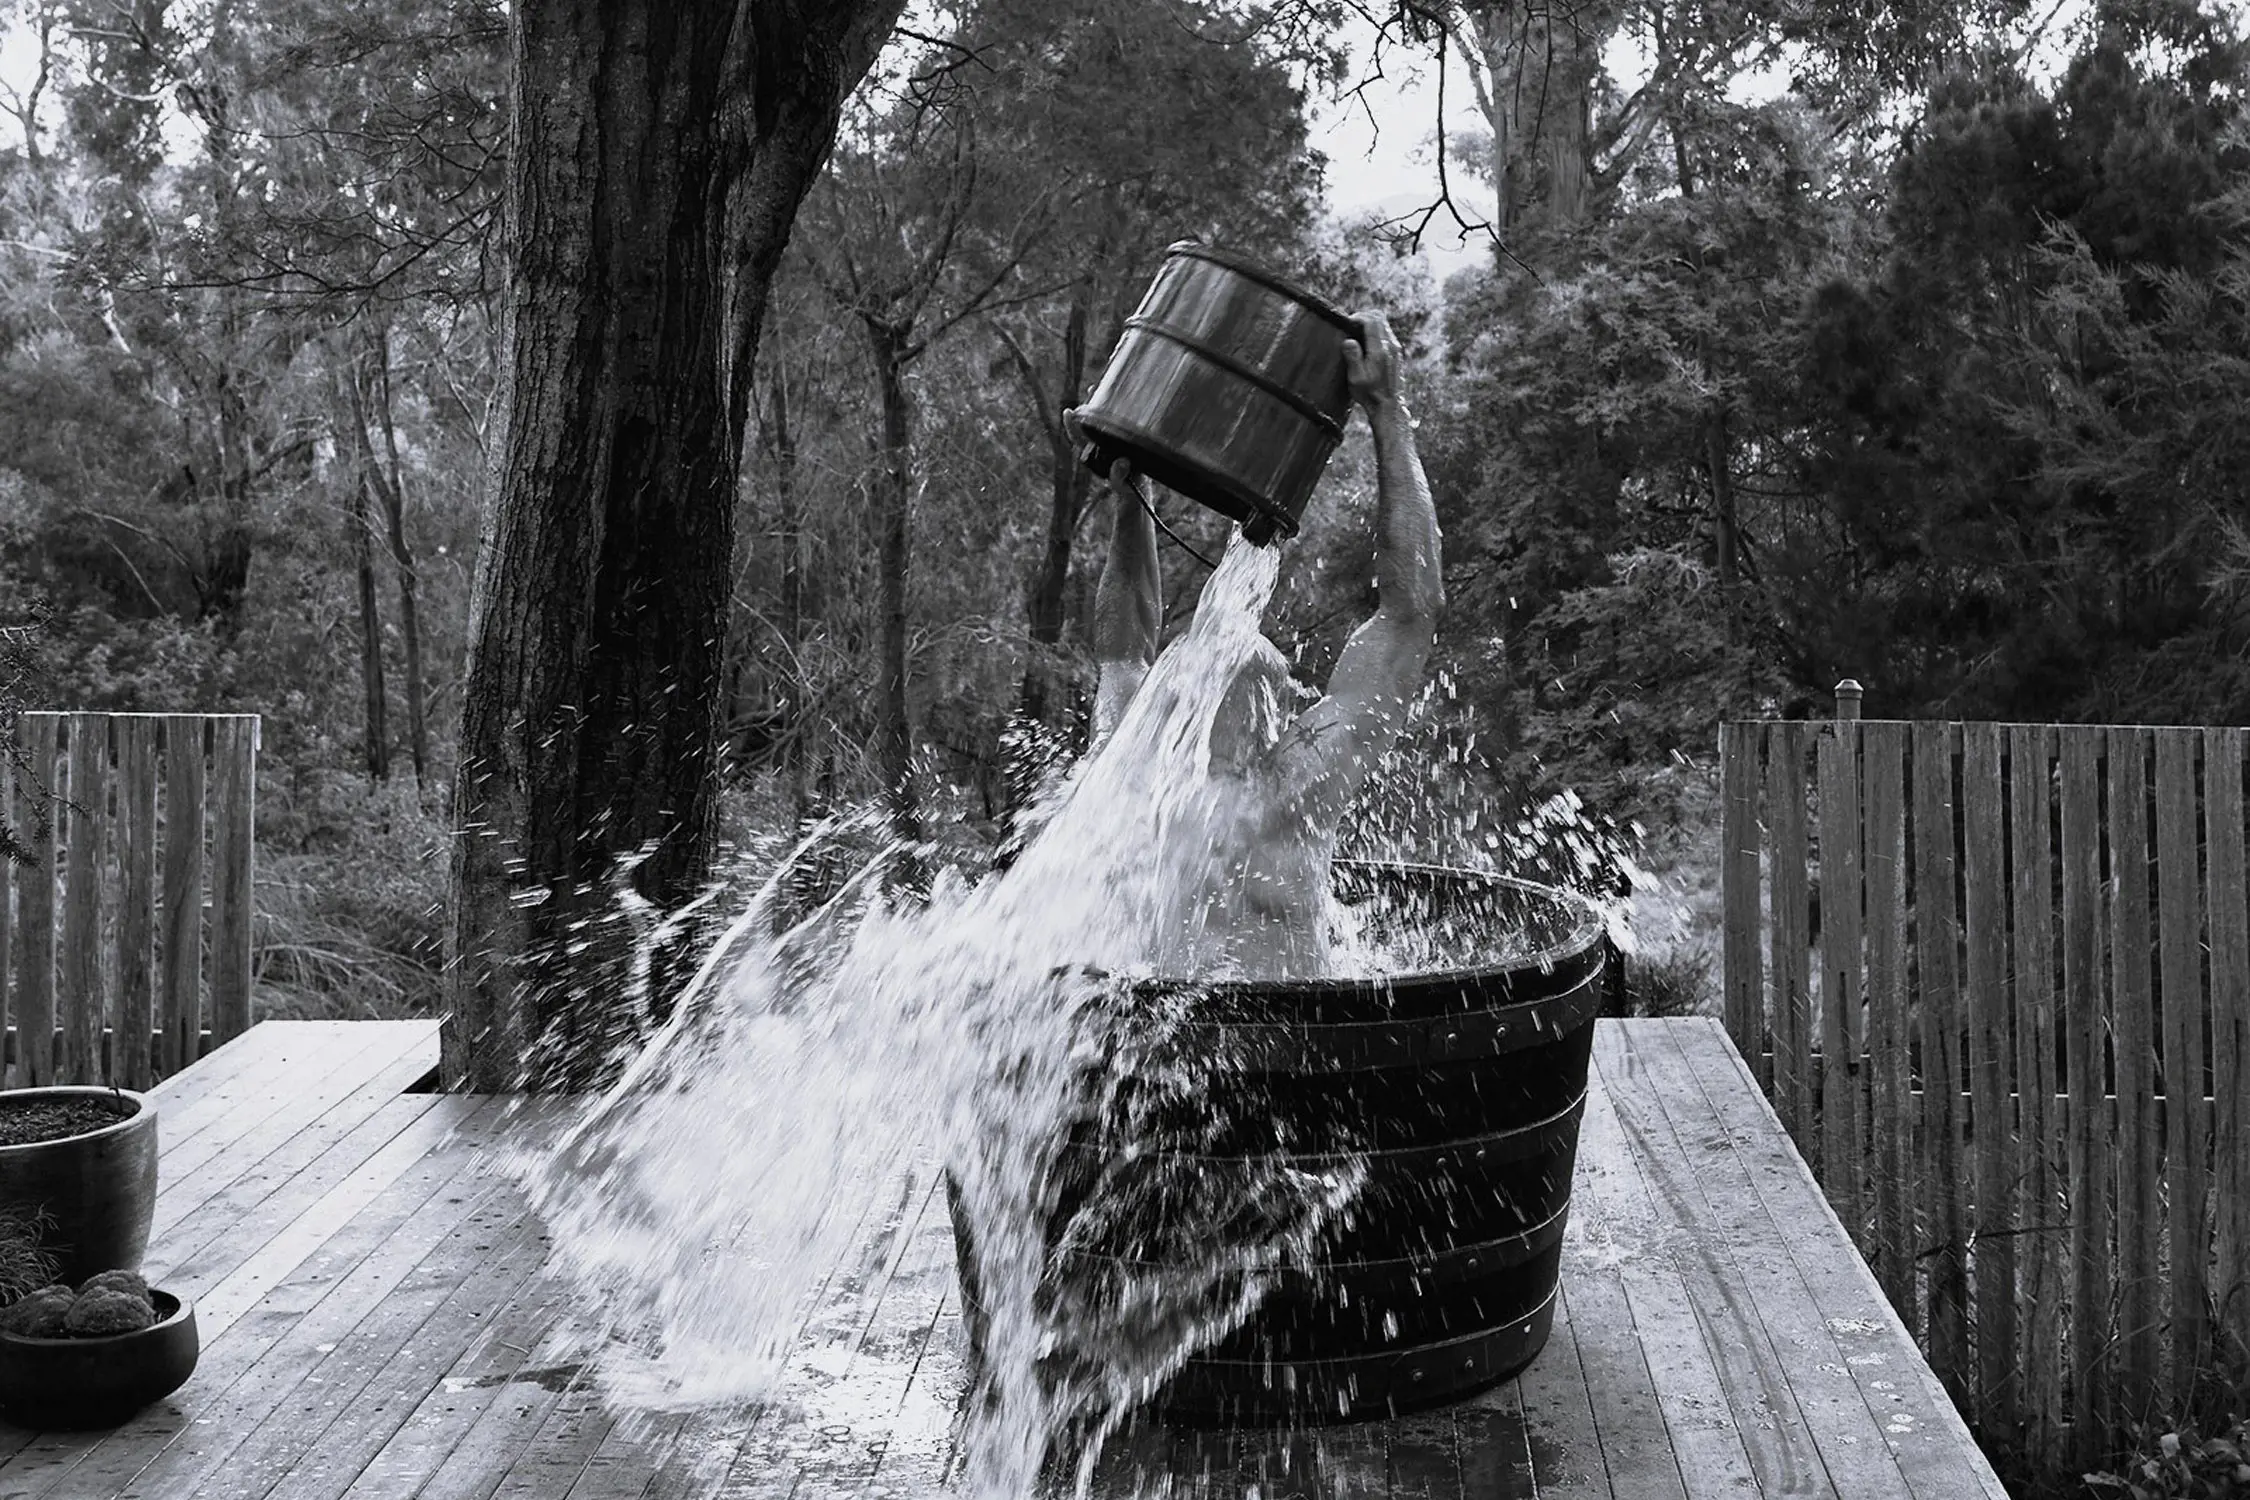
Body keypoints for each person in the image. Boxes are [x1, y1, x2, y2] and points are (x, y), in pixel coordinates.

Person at [1080, 308, 1443, 979]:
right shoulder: (1139, 767)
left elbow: (1126, 650)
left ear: (1282, 709)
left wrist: (1132, 505)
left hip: (1297, 1052)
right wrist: (1386, 409)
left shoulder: (1287, 786)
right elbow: (1409, 615)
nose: (1225, 646)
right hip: (1180, 1065)